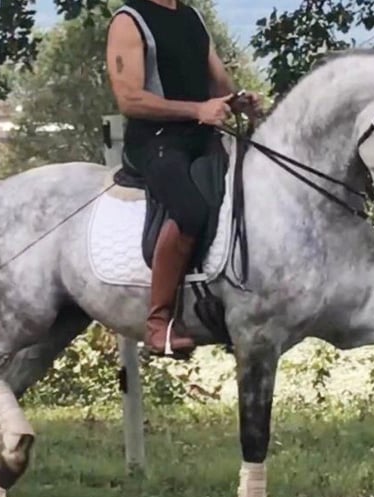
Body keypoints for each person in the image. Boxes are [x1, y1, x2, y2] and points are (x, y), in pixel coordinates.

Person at [106, 0, 262, 357]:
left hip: (202, 137)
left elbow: (219, 84)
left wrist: (236, 101)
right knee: (190, 210)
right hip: (155, 141)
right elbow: (129, 99)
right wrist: (197, 110)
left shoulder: (192, 17)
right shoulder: (130, 21)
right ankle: (158, 324)